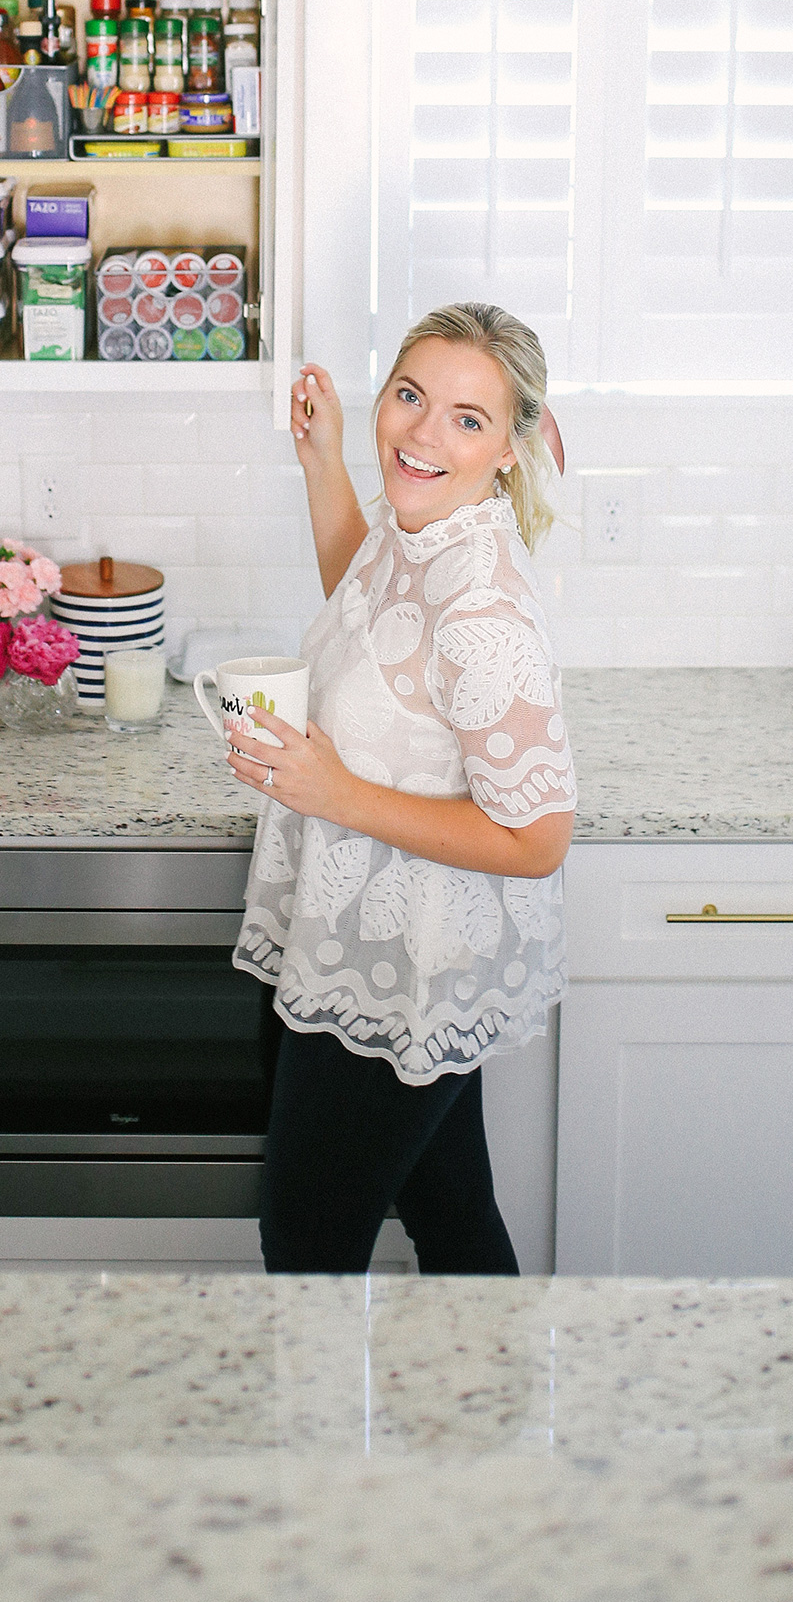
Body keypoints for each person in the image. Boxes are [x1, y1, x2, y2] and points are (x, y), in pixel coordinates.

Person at [229, 300, 576, 1275]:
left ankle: (322, 1432)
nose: (423, 432)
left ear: (512, 447)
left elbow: (537, 839)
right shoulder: (421, 527)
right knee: (451, 1209)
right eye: (409, 396)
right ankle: (495, 1418)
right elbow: (366, 602)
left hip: (407, 962)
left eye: (466, 418)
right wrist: (322, 462)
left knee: (305, 1240)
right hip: (372, 939)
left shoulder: (484, 609)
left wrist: (330, 791)